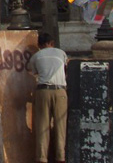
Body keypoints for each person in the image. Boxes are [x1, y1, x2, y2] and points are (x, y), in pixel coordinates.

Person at [27, 31, 68, 163]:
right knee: (60, 125)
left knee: (42, 126)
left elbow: (32, 71)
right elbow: (65, 68)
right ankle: (60, 157)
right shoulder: (61, 53)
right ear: (52, 43)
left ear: (39, 45)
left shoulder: (36, 56)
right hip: (60, 91)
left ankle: (42, 158)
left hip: (43, 91)